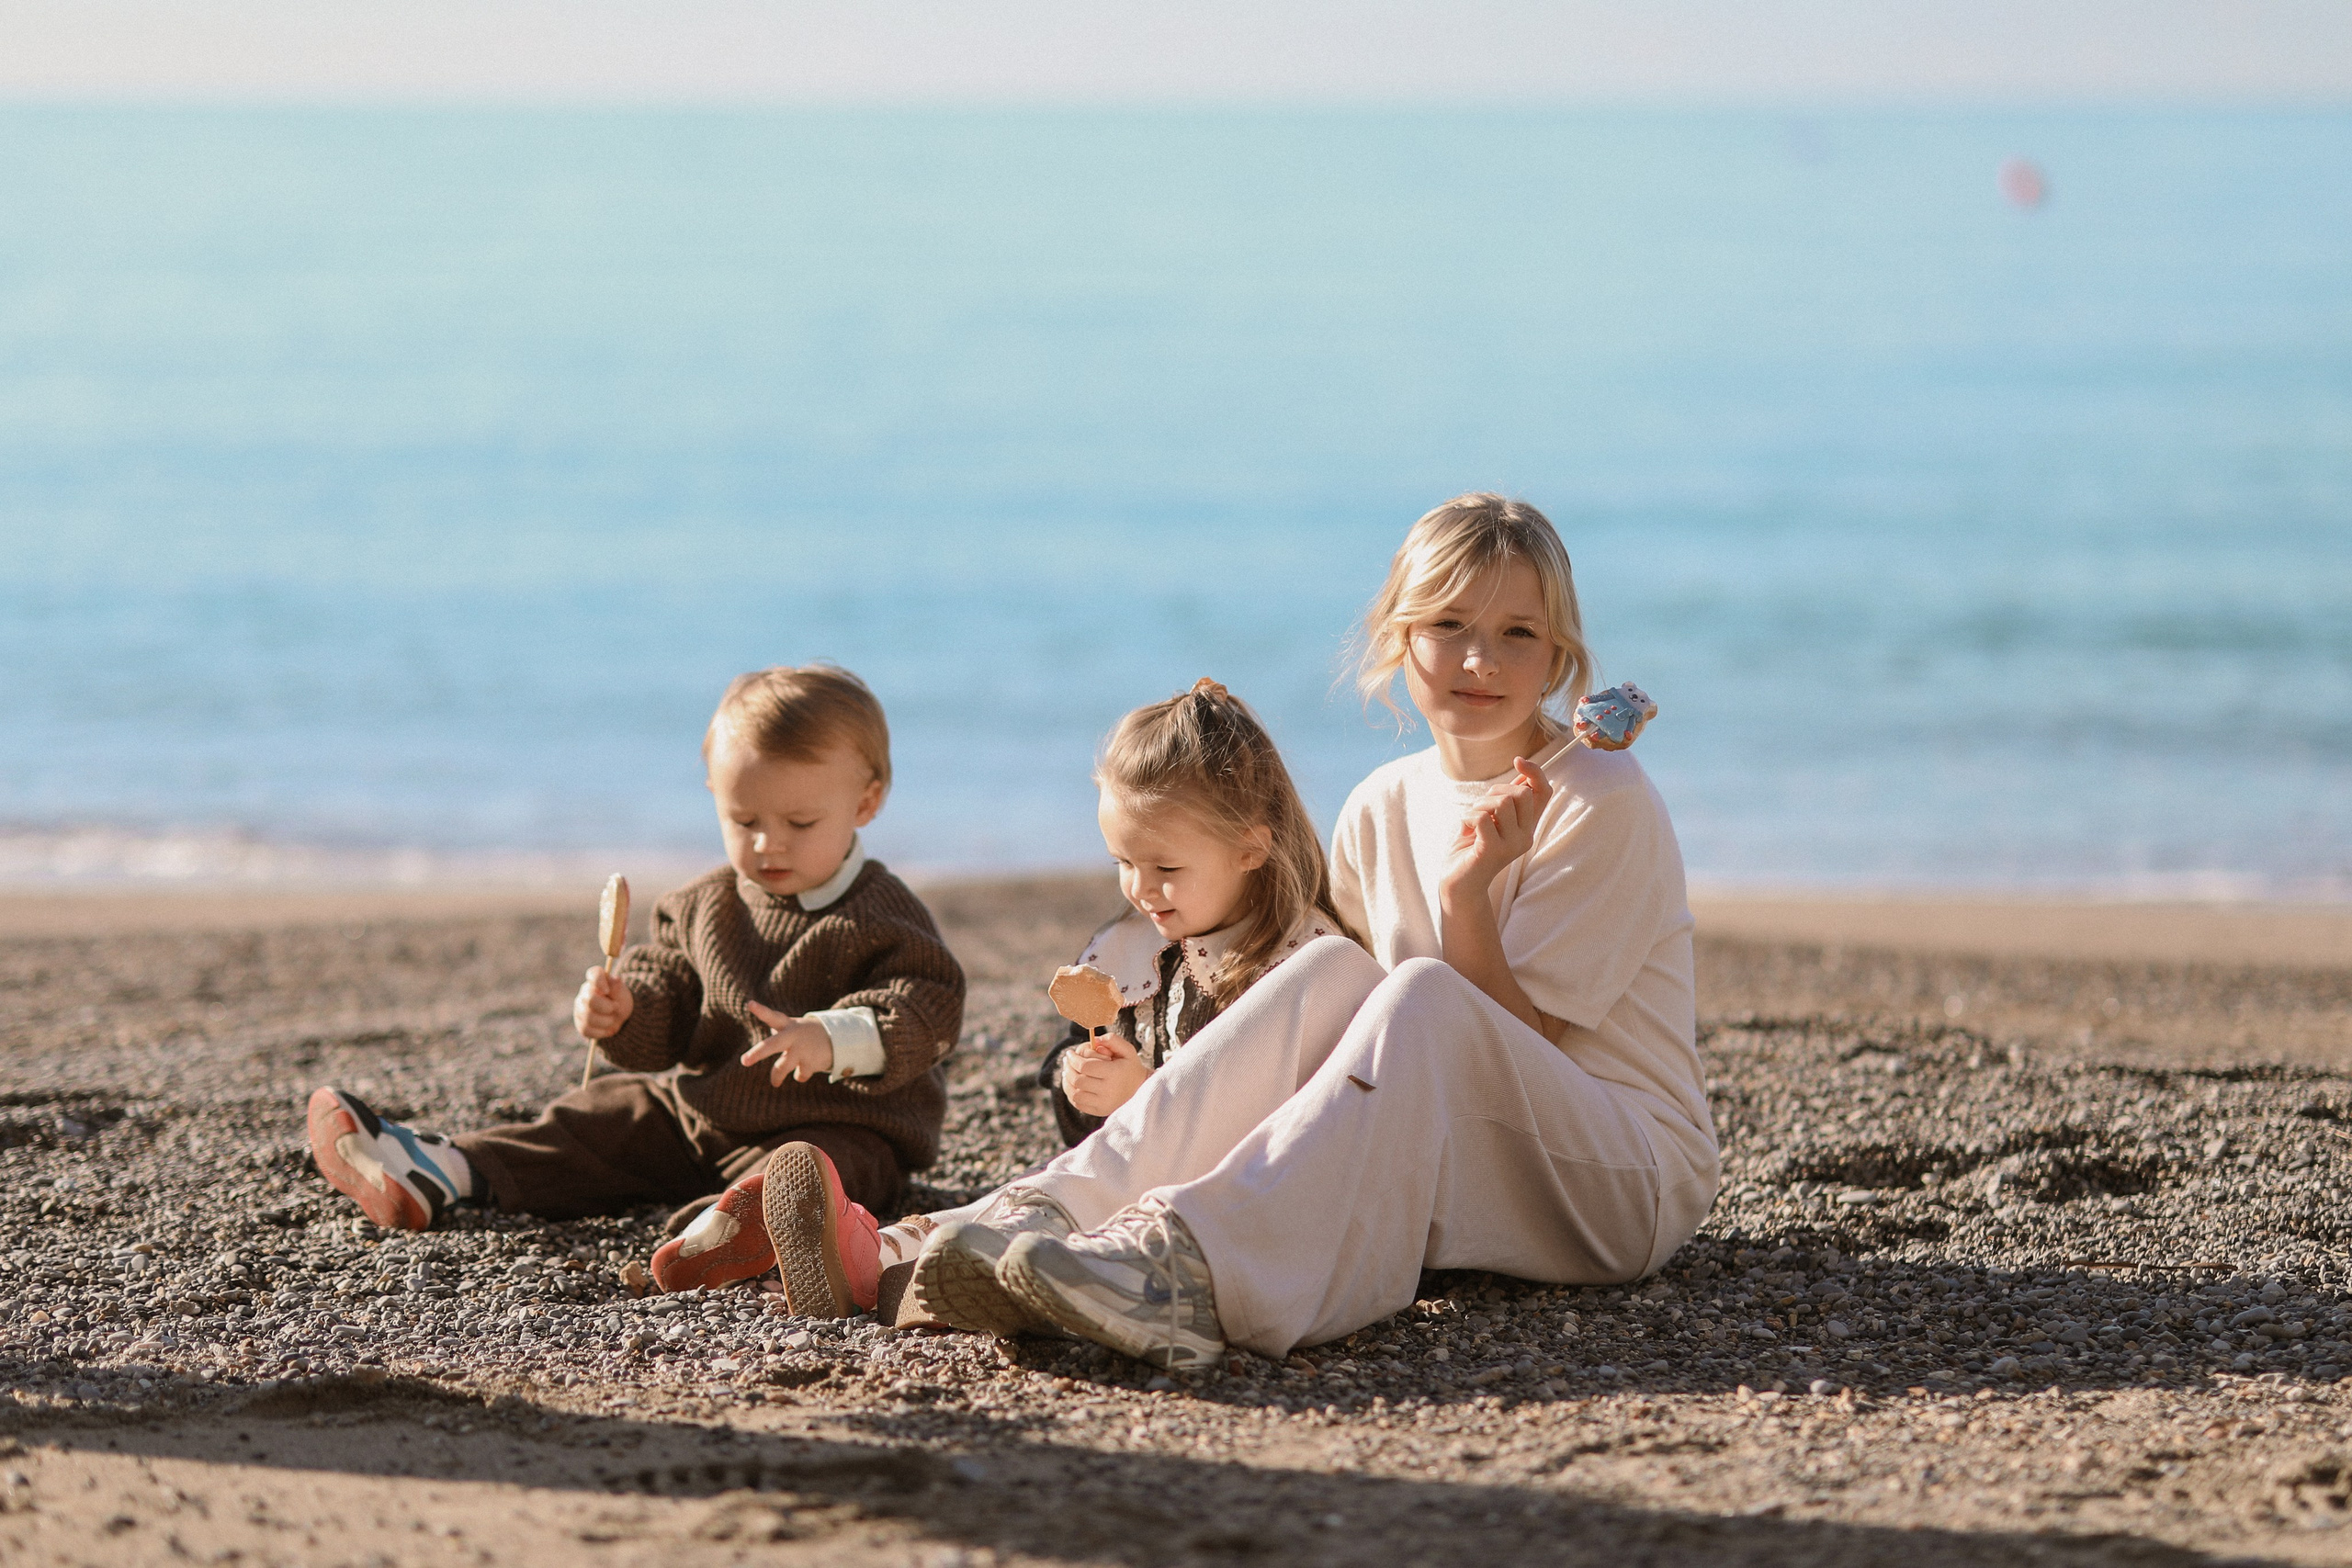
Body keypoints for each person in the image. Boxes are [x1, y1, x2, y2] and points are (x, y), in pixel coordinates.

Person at [927, 491, 1718, 1368]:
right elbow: (1352, 1051)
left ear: (1558, 656)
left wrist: (1465, 897)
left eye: (1519, 634)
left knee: (1421, 991)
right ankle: (1030, 1221)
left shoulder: (1598, 799)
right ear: (1398, 636)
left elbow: (1528, 1049)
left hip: (1618, 1180)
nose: (1482, 658)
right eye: (1449, 622)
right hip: (1467, 1157)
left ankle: (1190, 1273)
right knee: (1333, 970)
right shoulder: (1381, 805)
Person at [302, 665, 966, 1291]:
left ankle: (729, 1231)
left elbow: (927, 1006)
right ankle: (443, 1169)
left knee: (824, 1167)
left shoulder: (883, 912)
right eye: (744, 820)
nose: (769, 843)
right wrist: (626, 1011)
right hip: (705, 1115)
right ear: (714, 793)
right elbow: (669, 998)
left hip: (842, 1121)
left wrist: (832, 1037)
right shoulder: (703, 904)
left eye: (799, 823)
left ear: (866, 802)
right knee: (605, 1113)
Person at [754, 677, 1359, 1323]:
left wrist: (1145, 1095)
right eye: (1121, 862)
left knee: (1059, 1203)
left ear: (1251, 847)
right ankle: (885, 1256)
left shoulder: (1300, 964)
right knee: (1022, 1195)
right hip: (1120, 1172)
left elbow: (1301, 1124)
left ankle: (909, 1267)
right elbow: (1084, 1078)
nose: (1140, 888)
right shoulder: (1139, 950)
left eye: (1166, 869)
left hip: (1220, 1203)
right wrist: (1077, 1085)